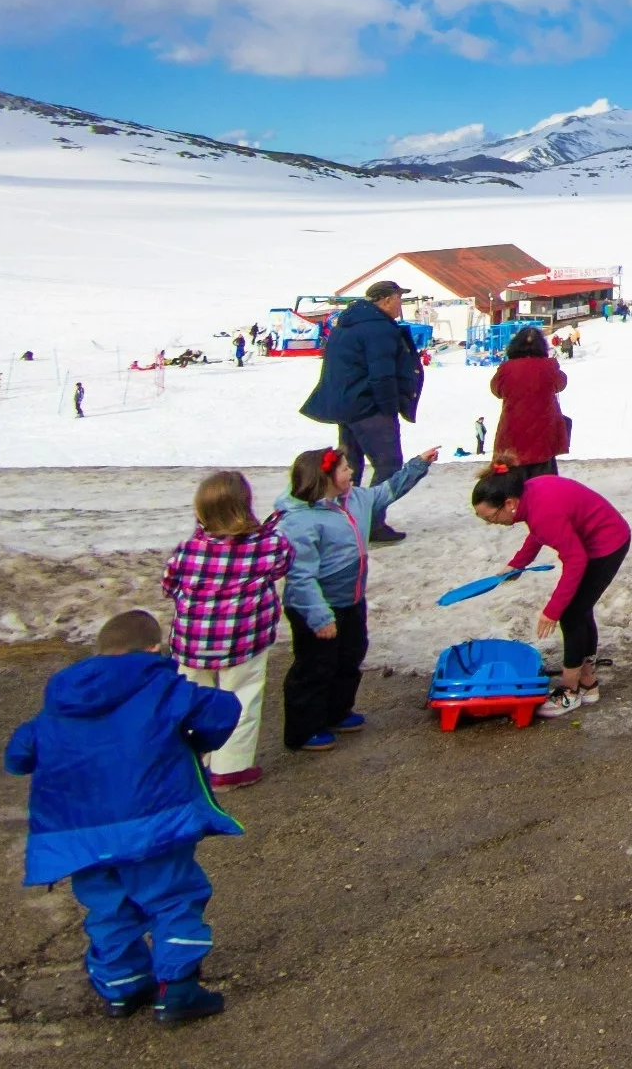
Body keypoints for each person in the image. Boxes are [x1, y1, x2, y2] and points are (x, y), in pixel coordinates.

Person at [3, 610, 240, 1025]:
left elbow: (19, 754)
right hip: (151, 822)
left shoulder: (61, 696)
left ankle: (123, 986)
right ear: (153, 648)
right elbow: (220, 710)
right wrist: (194, 740)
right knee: (172, 898)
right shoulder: (160, 684)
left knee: (108, 909)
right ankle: (179, 989)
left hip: (78, 835)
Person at [275, 443, 437, 752]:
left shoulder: (357, 498)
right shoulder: (300, 521)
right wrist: (319, 617)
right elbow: (300, 576)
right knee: (315, 665)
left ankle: (337, 711)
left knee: (350, 654)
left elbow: (388, 490)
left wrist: (418, 465)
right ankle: (303, 729)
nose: (352, 472)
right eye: (345, 468)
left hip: (351, 598)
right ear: (324, 478)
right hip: (316, 606)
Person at [161, 472, 294, 790]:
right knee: (241, 699)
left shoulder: (188, 549)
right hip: (242, 641)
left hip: (191, 642)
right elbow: (284, 563)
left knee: (192, 700)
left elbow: (169, 584)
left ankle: (192, 759)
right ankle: (229, 768)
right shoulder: (266, 545)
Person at [472, 466, 630, 717]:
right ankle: (587, 682)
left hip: (607, 542)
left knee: (571, 614)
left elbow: (575, 559)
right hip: (593, 538)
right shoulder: (530, 496)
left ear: (509, 503)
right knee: (579, 609)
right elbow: (538, 533)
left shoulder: (541, 511)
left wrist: (552, 611)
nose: (493, 524)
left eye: (490, 518)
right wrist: (517, 564)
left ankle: (570, 690)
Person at [299, 281, 425, 543]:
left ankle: (345, 519)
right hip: (369, 406)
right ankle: (371, 522)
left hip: (347, 406)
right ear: (386, 300)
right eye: (398, 298)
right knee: (389, 464)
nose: (400, 304)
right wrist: (389, 408)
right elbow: (382, 374)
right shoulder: (378, 329)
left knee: (350, 466)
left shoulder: (348, 324)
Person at [490, 326, 568, 479]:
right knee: (543, 482)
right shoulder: (549, 366)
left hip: (512, 432)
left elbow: (496, 390)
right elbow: (561, 384)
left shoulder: (506, 369)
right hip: (544, 433)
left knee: (512, 481)